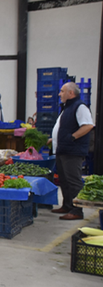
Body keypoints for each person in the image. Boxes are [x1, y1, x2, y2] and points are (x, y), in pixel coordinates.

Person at [49, 82, 94, 220]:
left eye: (62, 91)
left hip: (72, 151)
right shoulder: (67, 108)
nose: (59, 94)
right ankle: (68, 205)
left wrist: (72, 137)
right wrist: (54, 139)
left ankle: (77, 210)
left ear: (71, 93)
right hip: (63, 149)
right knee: (64, 180)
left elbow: (88, 126)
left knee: (73, 181)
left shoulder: (80, 107)